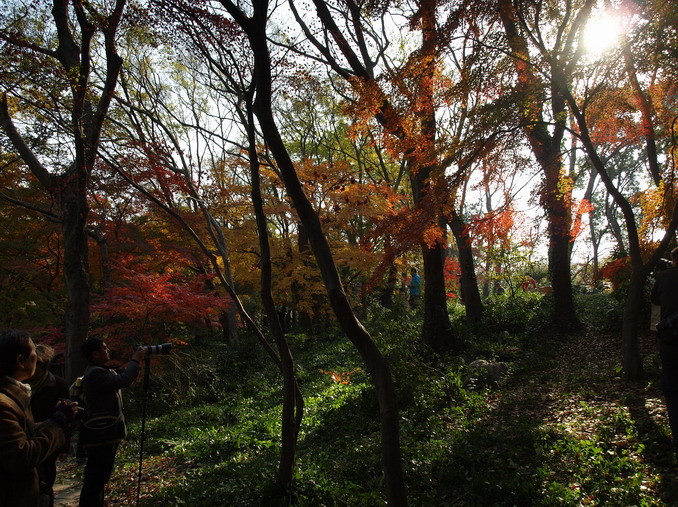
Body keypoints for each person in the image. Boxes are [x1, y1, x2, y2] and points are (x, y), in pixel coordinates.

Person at [0, 329, 76, 507]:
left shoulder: (14, 395)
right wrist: (56, 425)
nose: (37, 355)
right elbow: (21, 457)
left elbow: (20, 434)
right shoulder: (4, 405)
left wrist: (55, 421)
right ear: (20, 361)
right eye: (34, 351)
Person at [78, 339, 145, 507]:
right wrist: (136, 360)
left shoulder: (97, 371)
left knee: (97, 478)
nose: (108, 351)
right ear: (95, 354)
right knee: (96, 478)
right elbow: (124, 380)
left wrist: (132, 362)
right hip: (102, 433)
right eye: (104, 348)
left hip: (102, 432)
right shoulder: (95, 373)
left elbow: (122, 376)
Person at [26, 344, 70, 507]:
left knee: (46, 478)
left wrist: (64, 446)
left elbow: (66, 416)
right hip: (26, 436)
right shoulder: (20, 384)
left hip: (50, 436)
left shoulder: (59, 385)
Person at [651, 246, 678, 456]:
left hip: (671, 339)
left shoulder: (664, 278)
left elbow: (656, 309)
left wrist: (655, 335)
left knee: (671, 387)